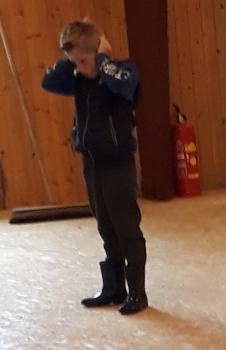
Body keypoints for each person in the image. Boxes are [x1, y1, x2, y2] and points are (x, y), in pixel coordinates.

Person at [41, 19, 147, 315]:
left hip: (117, 164)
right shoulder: (79, 78)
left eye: (83, 61)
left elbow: (125, 85)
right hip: (92, 164)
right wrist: (75, 59)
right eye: (74, 62)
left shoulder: (122, 71)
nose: (78, 68)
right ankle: (114, 288)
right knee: (105, 226)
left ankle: (138, 293)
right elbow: (49, 81)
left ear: (99, 53)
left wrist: (101, 60)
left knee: (126, 227)